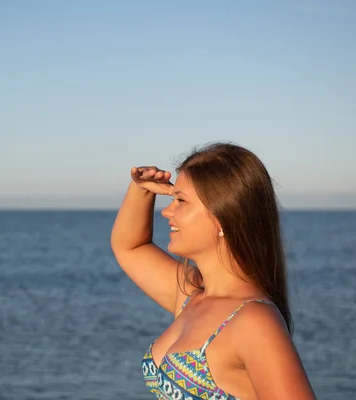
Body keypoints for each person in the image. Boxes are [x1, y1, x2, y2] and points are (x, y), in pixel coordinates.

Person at [110, 142, 315, 400]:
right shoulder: (191, 294)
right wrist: (140, 190)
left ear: (222, 215)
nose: (167, 211)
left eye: (181, 201)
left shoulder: (253, 321)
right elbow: (130, 247)